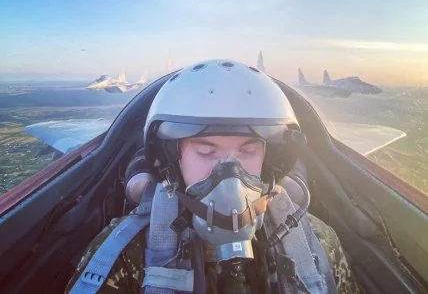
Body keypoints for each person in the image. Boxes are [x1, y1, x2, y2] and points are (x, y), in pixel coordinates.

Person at [66, 59, 362, 294]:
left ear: (269, 159)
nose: (229, 175)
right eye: (206, 152)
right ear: (173, 161)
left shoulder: (314, 245)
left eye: (248, 150)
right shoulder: (124, 254)